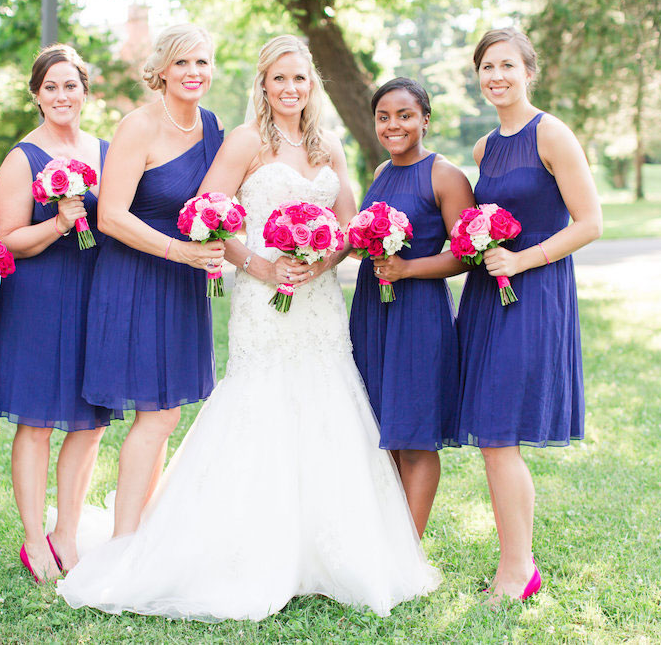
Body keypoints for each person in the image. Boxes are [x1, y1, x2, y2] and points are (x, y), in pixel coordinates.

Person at [57, 35, 438, 621]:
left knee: (327, 408)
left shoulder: (329, 146)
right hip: (263, 300)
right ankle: (245, 551)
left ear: (313, 85)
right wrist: (261, 264)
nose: (290, 89)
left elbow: (350, 227)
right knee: (259, 407)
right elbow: (207, 216)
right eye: (279, 78)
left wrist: (320, 261)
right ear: (263, 83)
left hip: (318, 305)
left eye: (301, 79)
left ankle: (325, 552)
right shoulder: (244, 141)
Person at [457, 27, 602, 603]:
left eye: (507, 66)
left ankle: (518, 570)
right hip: (487, 295)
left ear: (528, 71)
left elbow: (590, 223)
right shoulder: (484, 149)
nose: (497, 77)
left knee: (501, 431)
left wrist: (523, 260)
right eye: (487, 67)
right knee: (495, 431)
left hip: (535, 291)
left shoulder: (553, 134)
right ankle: (516, 564)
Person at [81, 25, 225, 537]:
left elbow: (221, 201)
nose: (193, 73)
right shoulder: (137, 127)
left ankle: (142, 526)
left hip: (184, 284)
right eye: (183, 63)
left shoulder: (213, 127)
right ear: (161, 70)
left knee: (167, 412)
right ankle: (124, 541)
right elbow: (111, 216)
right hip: (138, 276)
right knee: (157, 415)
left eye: (202, 62)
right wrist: (179, 250)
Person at [0, 44, 113, 582]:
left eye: (71, 86)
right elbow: (9, 239)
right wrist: (62, 223)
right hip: (39, 295)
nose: (62, 96)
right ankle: (32, 538)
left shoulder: (106, 150)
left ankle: (67, 531)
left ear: (86, 93)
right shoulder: (23, 157)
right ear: (37, 96)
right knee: (38, 421)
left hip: (96, 291)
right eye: (51, 87)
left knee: (89, 423)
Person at [348, 78, 474, 538]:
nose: (393, 125)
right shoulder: (381, 173)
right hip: (372, 311)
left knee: (416, 434)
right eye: (384, 117)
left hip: (418, 314)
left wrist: (408, 269)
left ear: (425, 118)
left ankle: (408, 548)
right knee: (385, 425)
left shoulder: (445, 175)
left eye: (404, 115)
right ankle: (385, 537)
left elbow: (466, 252)